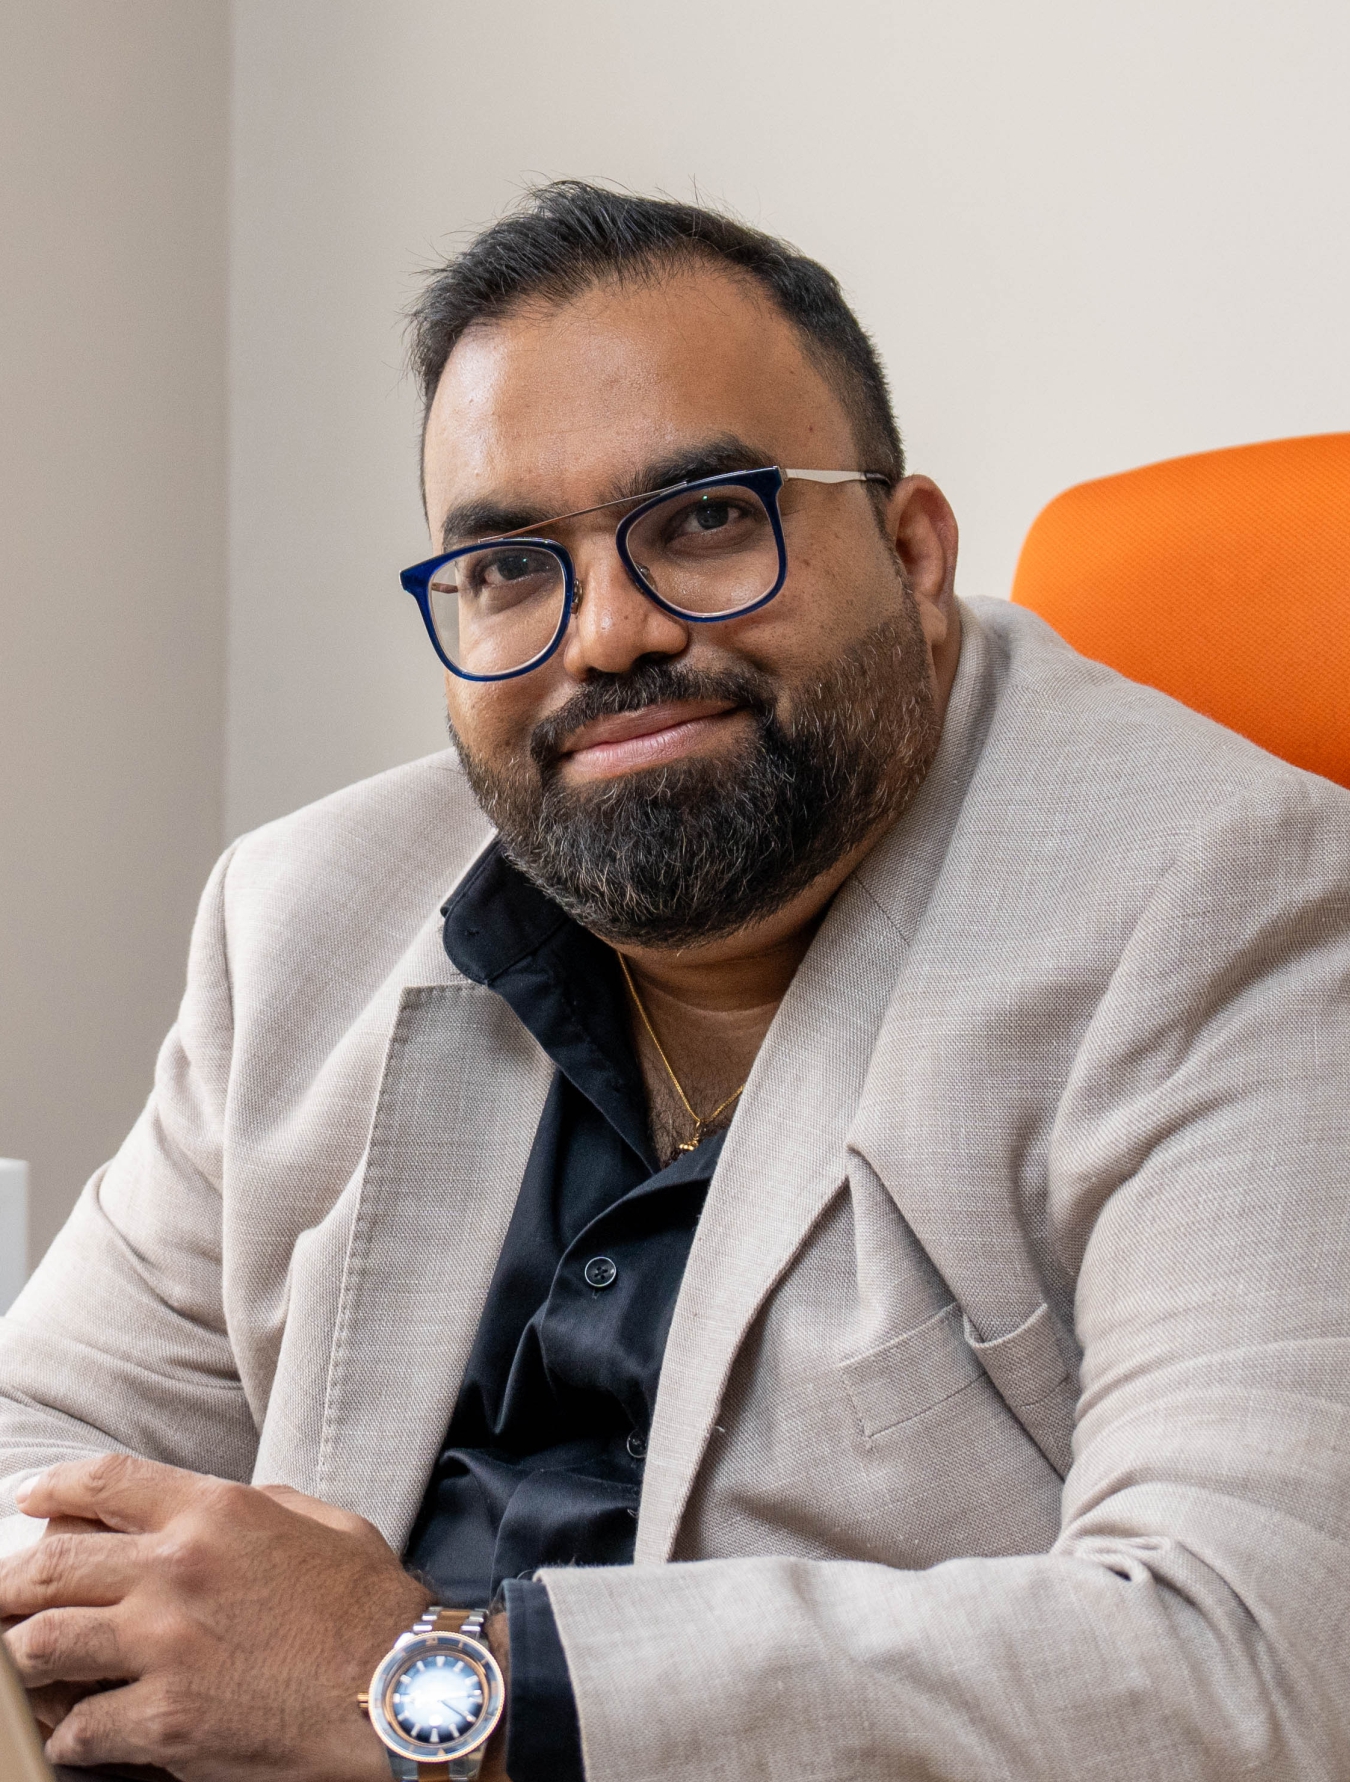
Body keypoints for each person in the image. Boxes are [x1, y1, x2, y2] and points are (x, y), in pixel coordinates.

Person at [1, 181, 1349, 1782]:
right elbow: (35, 1454)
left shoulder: (1229, 901)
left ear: (912, 553)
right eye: (510, 564)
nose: (607, 633)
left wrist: (434, 1683)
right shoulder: (303, 916)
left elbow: (1246, 1659)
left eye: (705, 521)